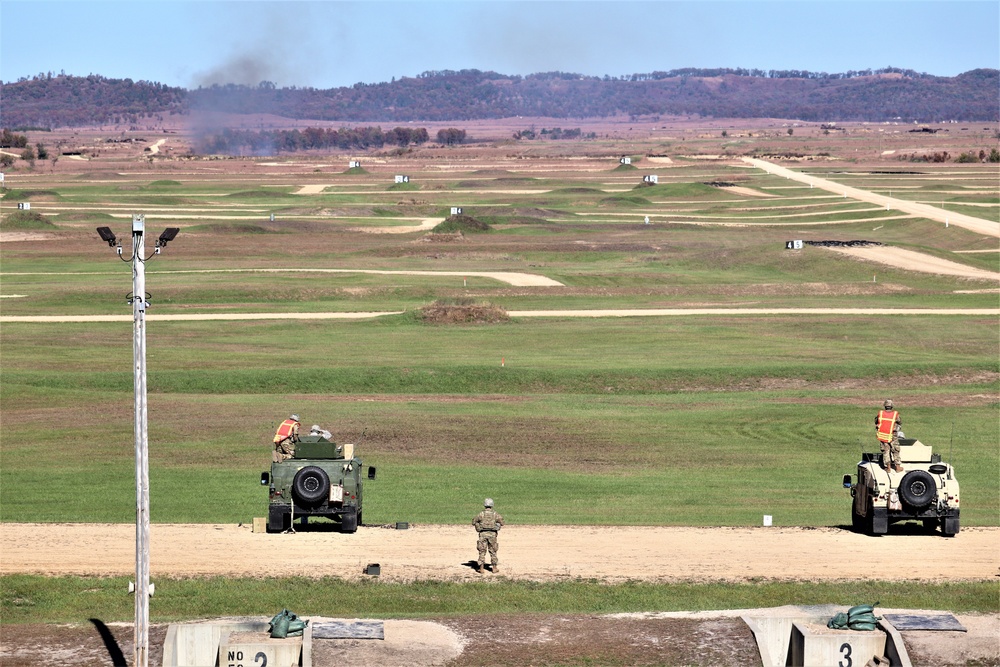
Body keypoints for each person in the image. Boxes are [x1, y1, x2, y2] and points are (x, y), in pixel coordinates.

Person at [472, 498, 505, 574]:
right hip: (492, 535)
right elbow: (502, 522)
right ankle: (494, 568)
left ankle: (481, 568)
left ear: (484, 505)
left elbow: (474, 521)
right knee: (493, 551)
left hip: (482, 534)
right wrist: (497, 525)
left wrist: (478, 525)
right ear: (492, 505)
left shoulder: (481, 514)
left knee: (482, 551)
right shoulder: (495, 514)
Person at [875, 400, 903, 473]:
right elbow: (900, 422)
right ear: (891, 406)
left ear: (885, 406)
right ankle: (897, 467)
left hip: (883, 434)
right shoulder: (895, 414)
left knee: (886, 451)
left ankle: (888, 468)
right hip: (892, 434)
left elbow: (876, 421)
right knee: (895, 450)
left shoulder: (880, 413)